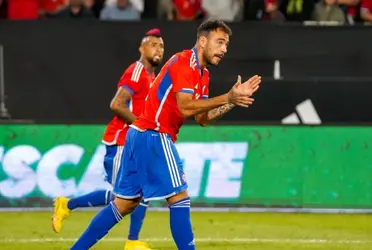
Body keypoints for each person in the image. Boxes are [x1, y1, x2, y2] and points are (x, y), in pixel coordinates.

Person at [69, 19, 261, 250]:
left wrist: (232, 102)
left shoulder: (203, 75)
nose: (224, 49)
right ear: (202, 40)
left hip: (139, 136)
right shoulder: (182, 62)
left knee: (123, 205)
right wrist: (227, 97)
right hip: (153, 135)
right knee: (179, 197)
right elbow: (185, 107)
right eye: (219, 42)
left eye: (226, 45)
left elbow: (201, 118)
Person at [52, 28, 165, 250]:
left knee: (131, 194)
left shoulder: (152, 76)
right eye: (153, 44)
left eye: (161, 45)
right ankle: (131, 242)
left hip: (135, 143)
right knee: (131, 195)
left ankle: (68, 205)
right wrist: (142, 126)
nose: (158, 49)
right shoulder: (136, 71)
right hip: (121, 142)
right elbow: (116, 104)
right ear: (141, 48)